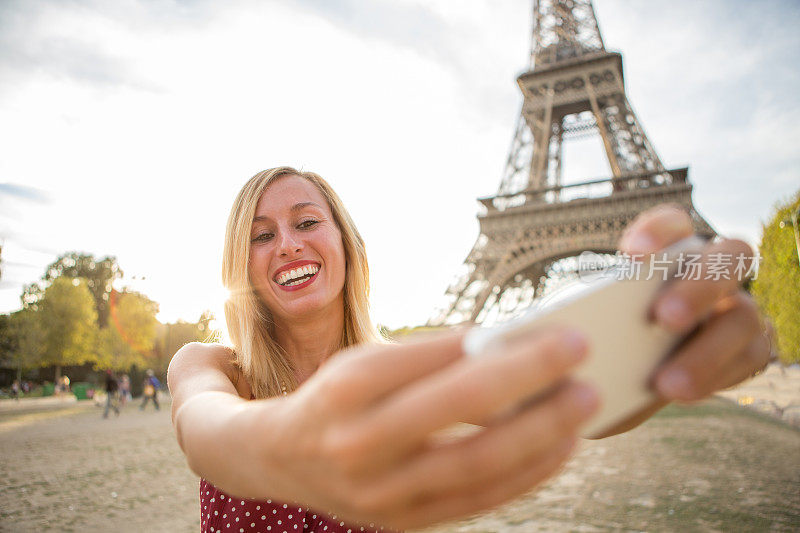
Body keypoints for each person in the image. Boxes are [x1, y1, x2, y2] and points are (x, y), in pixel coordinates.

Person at [168, 167, 771, 532]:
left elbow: (570, 393)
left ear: (345, 243)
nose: (288, 245)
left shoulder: (401, 375)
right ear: (239, 266)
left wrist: (655, 342)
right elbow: (205, 430)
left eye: (306, 222)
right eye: (261, 236)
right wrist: (284, 444)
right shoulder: (208, 365)